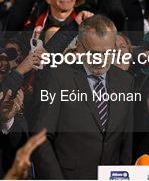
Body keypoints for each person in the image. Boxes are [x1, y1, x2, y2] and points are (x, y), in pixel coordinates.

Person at [32, 15, 135, 179]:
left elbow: (126, 141)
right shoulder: (58, 77)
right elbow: (41, 138)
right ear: (79, 47)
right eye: (94, 53)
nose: (100, 60)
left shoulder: (125, 81)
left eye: (107, 53)